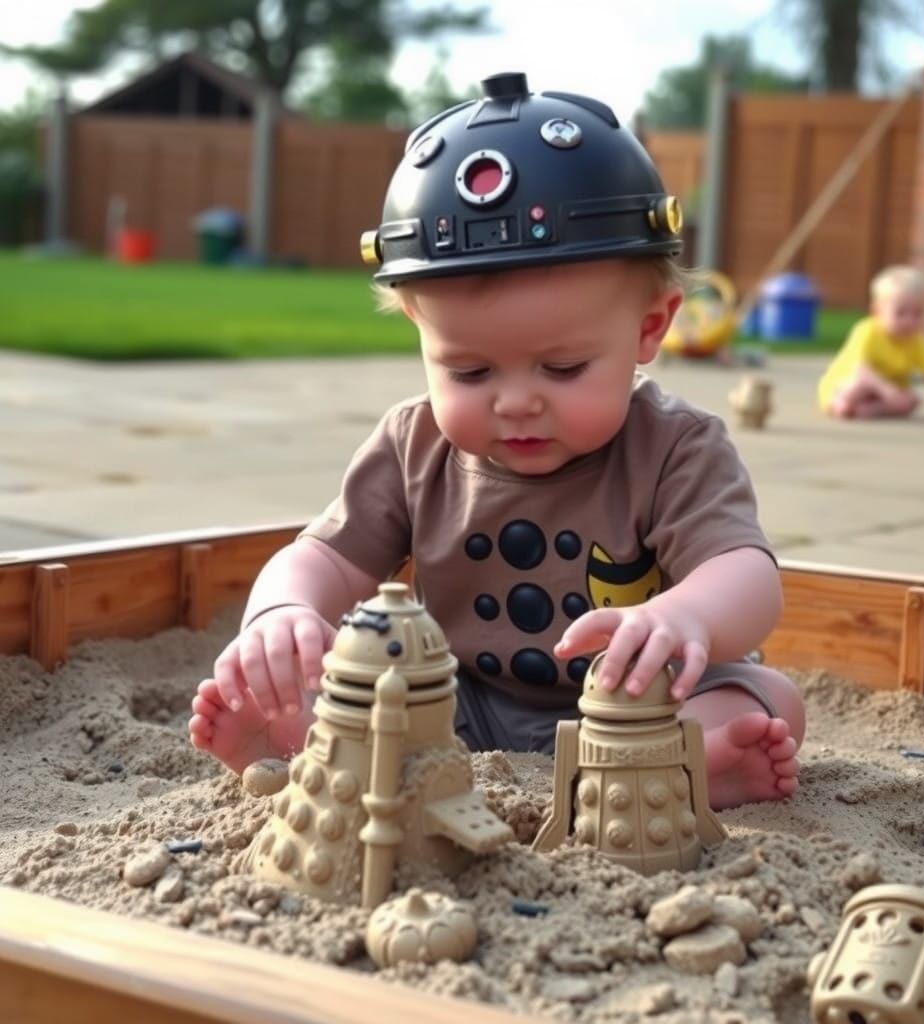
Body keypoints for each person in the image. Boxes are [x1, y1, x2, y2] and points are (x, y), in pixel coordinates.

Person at [189, 72, 804, 810]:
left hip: (634, 702)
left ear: (649, 329)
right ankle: (283, 742)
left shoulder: (674, 447)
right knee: (351, 687)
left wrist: (686, 615)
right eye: (470, 369)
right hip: (460, 704)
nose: (516, 402)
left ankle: (689, 767)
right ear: (421, 334)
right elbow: (323, 555)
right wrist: (282, 612)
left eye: (565, 367)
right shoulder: (414, 446)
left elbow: (746, 573)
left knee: (764, 699)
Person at [818, 265, 924, 419]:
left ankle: (867, 410)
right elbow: (863, 371)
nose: (909, 321)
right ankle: (840, 403)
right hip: (847, 385)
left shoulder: (917, 342)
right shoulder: (867, 331)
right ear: (877, 311)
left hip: (887, 392)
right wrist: (886, 390)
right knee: (858, 384)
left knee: (912, 401)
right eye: (900, 313)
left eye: (918, 314)